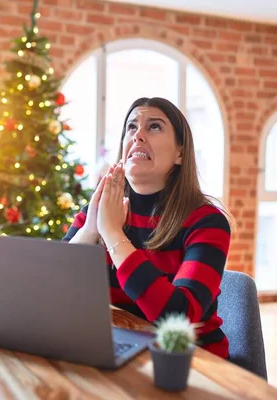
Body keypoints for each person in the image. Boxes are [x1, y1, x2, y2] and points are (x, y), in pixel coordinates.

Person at [63, 97, 232, 359]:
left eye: (154, 127)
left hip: (190, 360)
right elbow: (54, 284)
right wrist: (91, 230)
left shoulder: (207, 222)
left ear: (180, 154)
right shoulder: (101, 211)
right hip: (120, 345)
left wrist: (113, 234)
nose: (138, 135)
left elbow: (178, 316)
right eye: (131, 127)